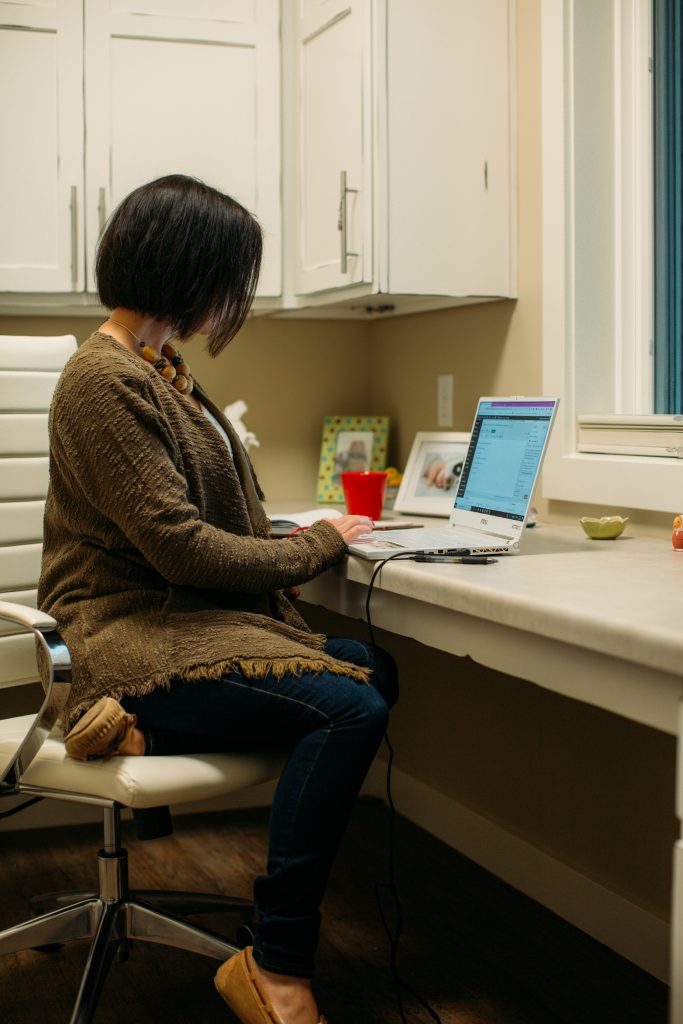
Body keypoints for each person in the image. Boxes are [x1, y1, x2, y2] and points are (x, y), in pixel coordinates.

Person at [38, 174, 398, 1024]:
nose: (231, 297)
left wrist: (278, 547)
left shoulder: (158, 369)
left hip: (179, 621)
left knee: (370, 666)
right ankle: (275, 963)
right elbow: (178, 547)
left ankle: (147, 728)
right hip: (127, 631)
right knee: (350, 709)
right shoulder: (103, 381)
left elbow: (189, 523)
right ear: (189, 270)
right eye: (230, 276)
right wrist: (314, 546)